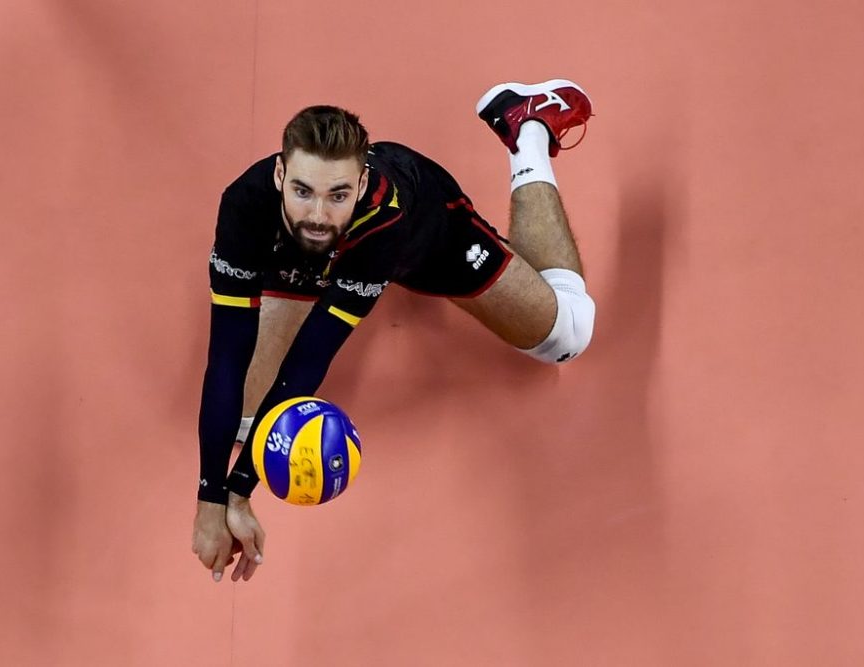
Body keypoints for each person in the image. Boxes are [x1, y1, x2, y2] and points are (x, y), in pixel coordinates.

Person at [191, 79, 597, 583]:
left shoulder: (387, 219)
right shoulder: (245, 204)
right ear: (279, 175)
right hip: (303, 261)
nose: (318, 215)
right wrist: (212, 499)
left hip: (422, 242)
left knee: (568, 335)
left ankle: (526, 130)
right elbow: (226, 355)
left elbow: (307, 364)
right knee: (246, 421)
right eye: (302, 191)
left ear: (360, 186)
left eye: (337, 194)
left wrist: (239, 491)